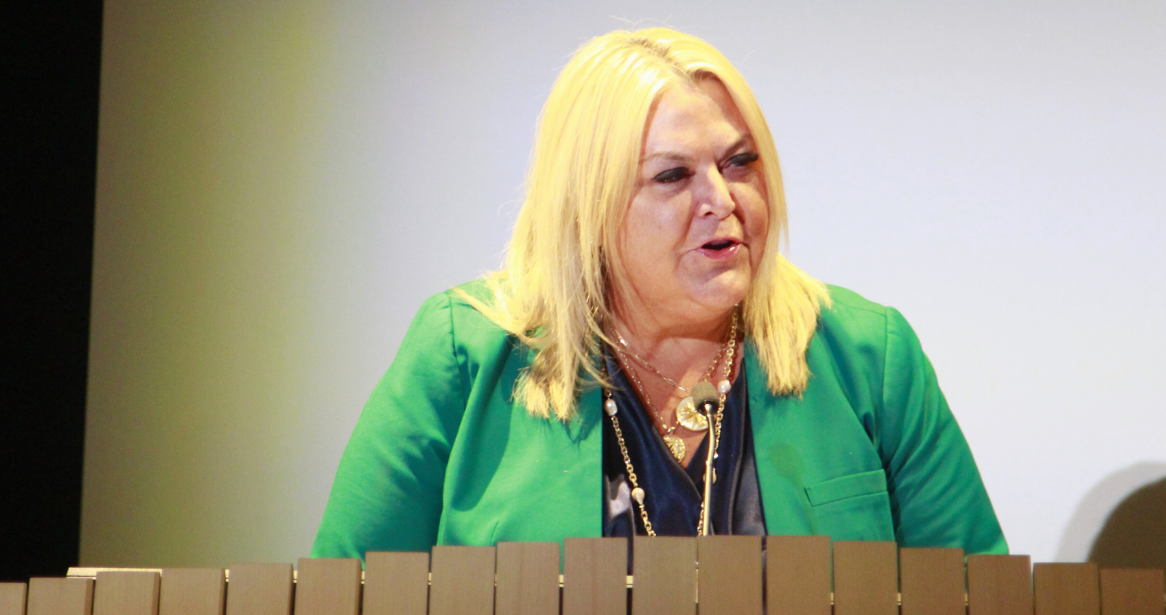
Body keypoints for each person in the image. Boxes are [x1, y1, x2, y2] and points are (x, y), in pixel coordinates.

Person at [312, 28, 1005, 559]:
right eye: (673, 176)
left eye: (740, 163)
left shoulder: (867, 355)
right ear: (588, 207)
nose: (722, 200)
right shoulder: (464, 354)